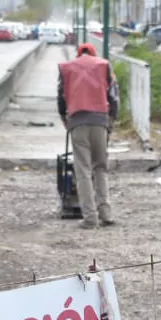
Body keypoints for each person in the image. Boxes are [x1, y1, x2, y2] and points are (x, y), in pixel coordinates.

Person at [58, 43, 120, 229]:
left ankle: (90, 218)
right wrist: (111, 121)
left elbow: (60, 97)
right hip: (100, 121)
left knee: (83, 170)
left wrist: (65, 119)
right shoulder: (104, 66)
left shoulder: (67, 68)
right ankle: (106, 213)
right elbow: (114, 96)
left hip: (77, 122)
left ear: (79, 54)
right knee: (100, 167)